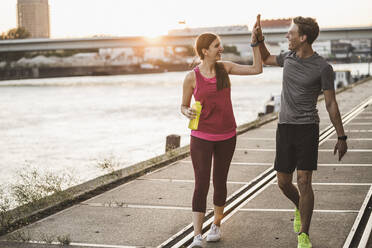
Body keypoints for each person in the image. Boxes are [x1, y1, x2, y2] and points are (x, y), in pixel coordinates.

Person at [255, 16, 348, 248]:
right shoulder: (288, 57)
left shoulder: (323, 68)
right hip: (285, 127)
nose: (287, 36)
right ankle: (300, 206)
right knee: (283, 182)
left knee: (304, 181)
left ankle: (303, 235)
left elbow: (331, 104)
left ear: (303, 37)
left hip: (307, 128)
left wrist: (341, 136)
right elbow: (265, 58)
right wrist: (259, 40)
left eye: (291, 33)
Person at [180, 15, 262, 248]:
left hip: (227, 135)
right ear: (205, 51)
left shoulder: (224, 69)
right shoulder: (191, 78)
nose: (221, 49)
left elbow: (257, 69)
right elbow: (183, 105)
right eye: (217, 45)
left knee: (220, 181)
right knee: (201, 183)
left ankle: (216, 224)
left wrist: (255, 43)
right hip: (201, 137)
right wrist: (186, 112)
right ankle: (197, 234)